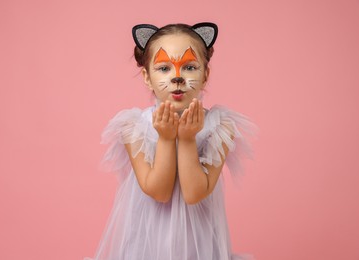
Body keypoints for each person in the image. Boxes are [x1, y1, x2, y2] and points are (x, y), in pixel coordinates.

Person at [85, 22, 258, 260]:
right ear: (147, 77)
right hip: (147, 246)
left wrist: (187, 140)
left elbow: (195, 193)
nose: (177, 77)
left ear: (205, 74)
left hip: (199, 247)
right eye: (164, 68)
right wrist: (166, 139)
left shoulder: (220, 126)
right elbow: (159, 192)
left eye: (189, 67)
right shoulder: (133, 127)